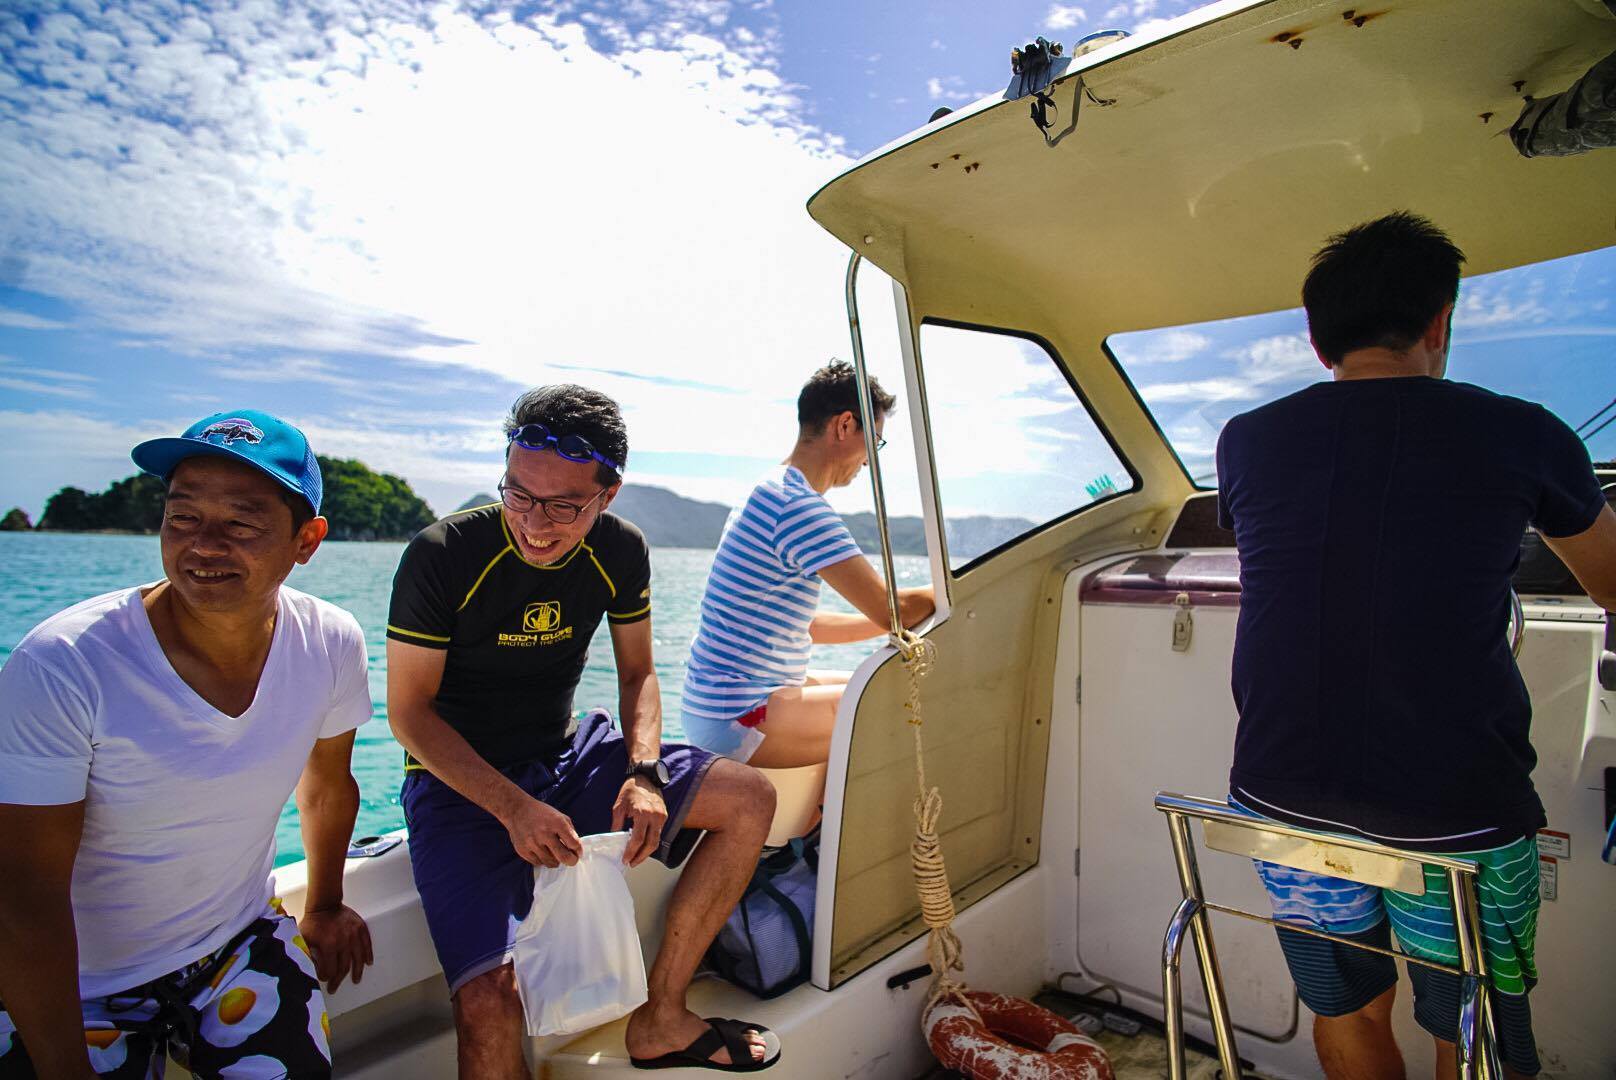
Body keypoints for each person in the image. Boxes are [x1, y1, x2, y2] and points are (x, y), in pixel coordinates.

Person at [1216, 212, 1616, 1079]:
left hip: (1282, 799)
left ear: (1320, 342)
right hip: (1457, 817)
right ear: (1441, 323)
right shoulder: (1525, 432)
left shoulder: (1245, 442)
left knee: (1348, 1008)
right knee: (1468, 1030)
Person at [385, 385, 780, 1077]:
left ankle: (660, 1018)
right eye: (517, 495)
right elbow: (409, 713)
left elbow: (638, 678)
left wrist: (645, 772)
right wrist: (510, 806)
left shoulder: (620, 551)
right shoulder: (443, 552)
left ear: (609, 495)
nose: (534, 524)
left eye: (564, 506)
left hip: (566, 754)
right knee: (486, 1004)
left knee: (750, 799)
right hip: (459, 783)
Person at [0, 410, 376, 1079]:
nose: (202, 545)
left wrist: (322, 904)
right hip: (78, 981)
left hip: (233, 946)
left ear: (306, 540)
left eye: (240, 522)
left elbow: (326, 784)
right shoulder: (66, 663)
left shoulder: (330, 641)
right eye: (182, 517)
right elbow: (24, 894)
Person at [681, 360, 935, 768]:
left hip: (714, 709)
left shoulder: (768, 491)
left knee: (876, 681)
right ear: (846, 425)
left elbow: (806, 626)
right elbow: (895, 611)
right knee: (915, 695)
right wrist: (953, 589)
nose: (872, 459)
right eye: (876, 442)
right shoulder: (797, 507)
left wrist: (909, 616)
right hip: (740, 717)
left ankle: (814, 822)